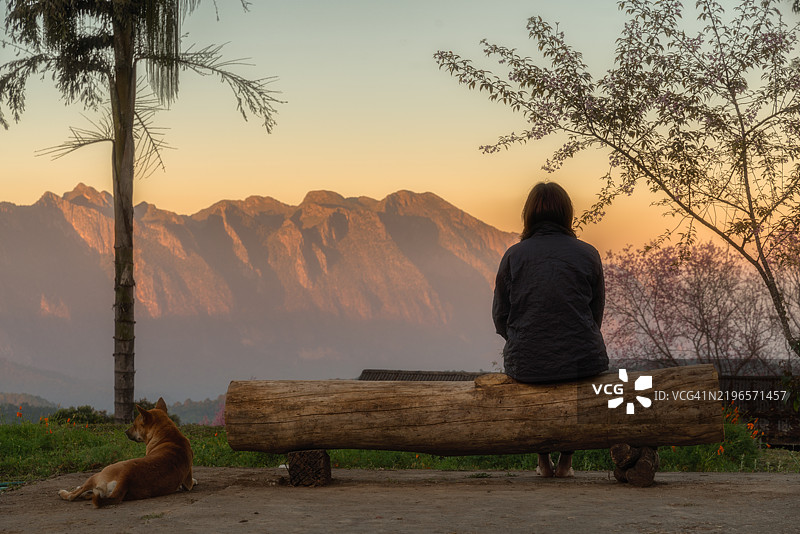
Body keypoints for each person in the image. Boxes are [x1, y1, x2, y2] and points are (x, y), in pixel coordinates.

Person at [492, 181, 608, 478]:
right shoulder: (588, 254)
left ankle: (543, 461)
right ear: (567, 214)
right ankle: (566, 463)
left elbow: (500, 316)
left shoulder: (514, 256)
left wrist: (525, 339)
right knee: (578, 377)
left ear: (528, 215)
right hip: (583, 359)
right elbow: (595, 315)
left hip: (527, 362)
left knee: (534, 378)